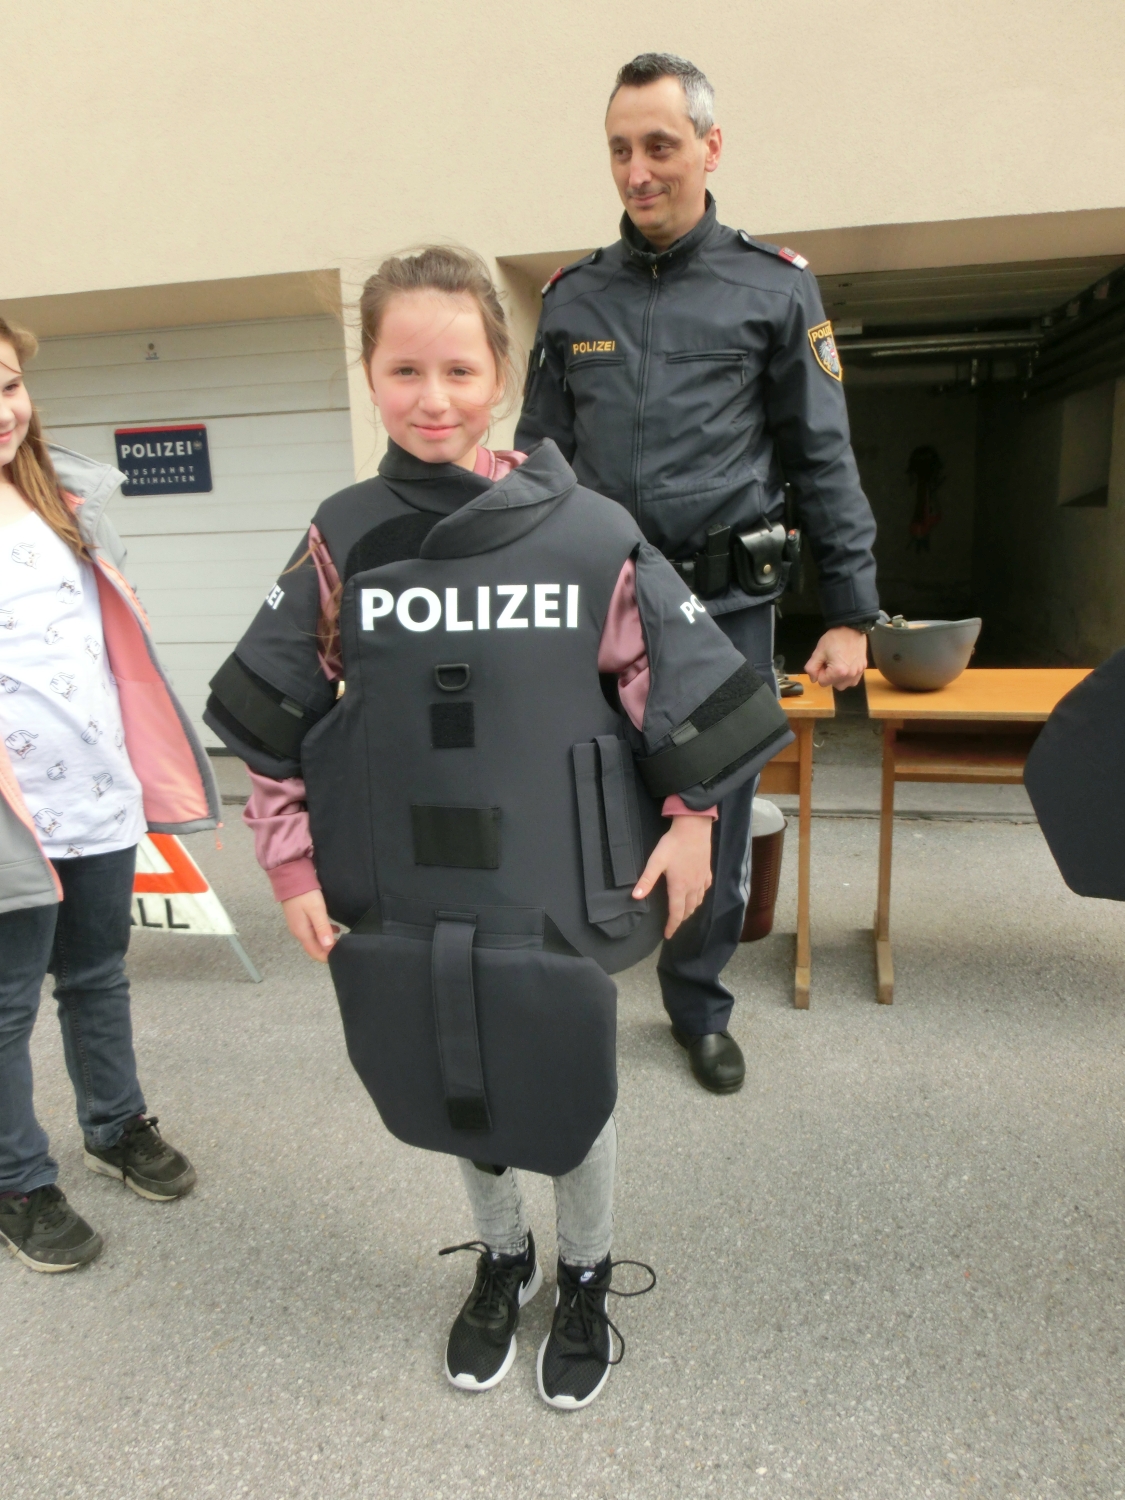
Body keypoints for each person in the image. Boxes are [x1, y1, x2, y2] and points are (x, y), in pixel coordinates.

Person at [203, 247, 791, 1408]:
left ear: (503, 374)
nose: (434, 398)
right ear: (370, 373)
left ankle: (586, 1272)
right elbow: (273, 721)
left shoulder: (591, 533)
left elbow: (676, 684)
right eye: (405, 369)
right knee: (456, 1078)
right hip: (411, 877)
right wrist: (290, 865)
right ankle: (504, 1258)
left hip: (556, 873)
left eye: (460, 370)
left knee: (565, 1080)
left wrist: (691, 823)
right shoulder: (343, 536)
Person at [515, 53, 882, 1094]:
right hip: (601, 606)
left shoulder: (774, 286)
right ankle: (580, 983)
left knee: (711, 816)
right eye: (619, 150)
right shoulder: (573, 299)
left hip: (723, 612)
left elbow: (822, 457)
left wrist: (850, 611)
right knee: (581, 795)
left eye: (660, 146)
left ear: (710, 148)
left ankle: (696, 1004)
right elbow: (536, 462)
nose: (637, 171)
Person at [0, 319, 220, 1274]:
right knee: (5, 1006)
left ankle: (114, 1125)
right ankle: (17, 1180)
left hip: (96, 793)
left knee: (95, 976)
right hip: (10, 818)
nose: (3, 409)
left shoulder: (66, 501)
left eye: (9, 384)